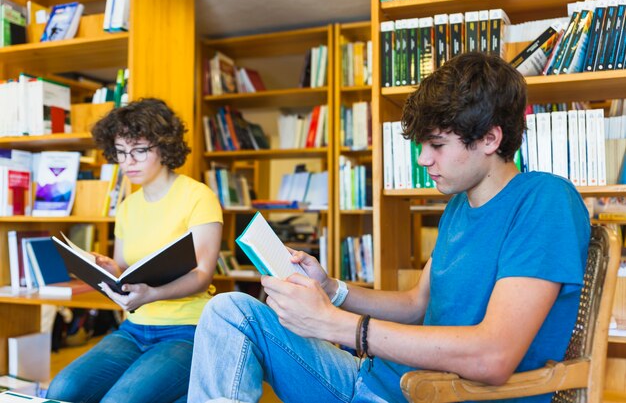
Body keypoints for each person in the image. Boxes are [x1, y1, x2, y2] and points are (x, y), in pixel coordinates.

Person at [187, 52, 591, 403]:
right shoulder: (458, 207)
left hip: (431, 394)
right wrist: (333, 290)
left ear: (489, 138)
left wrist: (335, 324)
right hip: (379, 381)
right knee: (229, 310)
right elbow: (417, 304)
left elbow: (492, 356)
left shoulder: (544, 201)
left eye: (436, 145)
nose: (422, 160)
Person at [47, 98, 223, 403]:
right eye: (121, 152)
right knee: (62, 390)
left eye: (140, 150)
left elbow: (202, 275)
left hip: (187, 330)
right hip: (135, 328)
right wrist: (104, 266)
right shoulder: (128, 207)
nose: (128, 162)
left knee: (120, 400)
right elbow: (123, 267)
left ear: (164, 147)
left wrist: (152, 294)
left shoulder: (198, 197)